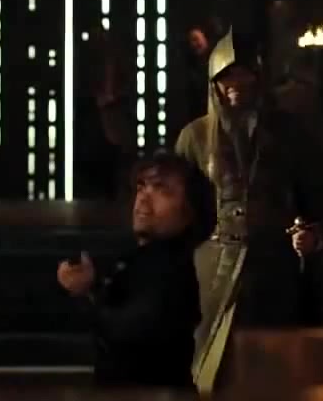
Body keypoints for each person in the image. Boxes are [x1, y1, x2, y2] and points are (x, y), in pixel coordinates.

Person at [174, 30, 323, 392]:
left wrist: (311, 232)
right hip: (213, 263)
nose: (236, 83)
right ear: (214, 83)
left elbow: (318, 198)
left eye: (244, 74)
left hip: (273, 263)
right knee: (210, 365)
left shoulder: (290, 133)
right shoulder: (195, 137)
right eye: (227, 76)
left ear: (258, 77)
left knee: (271, 368)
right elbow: (183, 208)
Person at [56, 150, 214, 389]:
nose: (143, 198)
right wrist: (90, 289)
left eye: (161, 190)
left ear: (191, 210)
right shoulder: (138, 259)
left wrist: (85, 293)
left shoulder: (180, 267)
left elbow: (131, 333)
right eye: (141, 187)